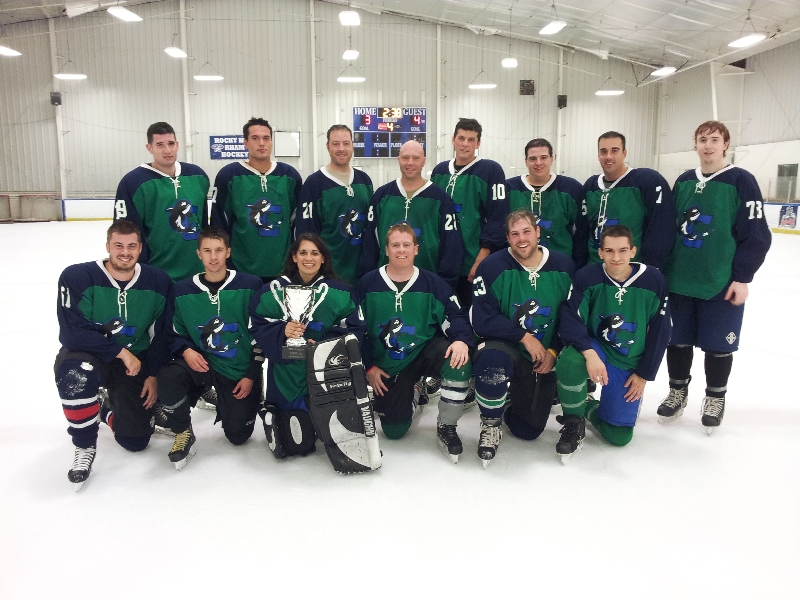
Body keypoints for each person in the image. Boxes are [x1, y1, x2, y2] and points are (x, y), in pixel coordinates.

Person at [658, 120, 771, 433]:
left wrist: (742, 277)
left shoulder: (741, 181)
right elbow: (668, 228)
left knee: (719, 345)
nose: (708, 145)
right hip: (680, 280)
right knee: (676, 340)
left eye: (715, 140)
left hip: (719, 281)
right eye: (702, 139)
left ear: (726, 144)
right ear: (695, 144)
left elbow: (756, 234)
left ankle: (715, 398)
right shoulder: (684, 181)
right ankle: (677, 392)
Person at [54, 220, 171, 490]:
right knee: (75, 375)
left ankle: (104, 409)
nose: (125, 252)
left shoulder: (158, 281)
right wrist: (119, 351)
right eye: (118, 245)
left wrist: (153, 373)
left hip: (135, 362)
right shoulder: (77, 276)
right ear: (108, 246)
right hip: (90, 356)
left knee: (135, 441)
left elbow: (162, 335)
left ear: (140, 248)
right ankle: (84, 445)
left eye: (131, 246)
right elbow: (72, 333)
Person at [357, 224, 473, 463]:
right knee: (394, 430)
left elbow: (456, 315)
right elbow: (355, 330)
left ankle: (447, 425)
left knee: (458, 359)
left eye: (406, 245)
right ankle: (415, 390)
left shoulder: (433, 284)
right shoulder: (367, 284)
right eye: (395, 245)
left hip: (423, 351)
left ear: (416, 249)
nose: (401, 250)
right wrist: (368, 366)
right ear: (386, 250)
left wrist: (461, 339)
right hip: (389, 364)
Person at [554, 225, 671, 462]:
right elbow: (571, 318)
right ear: (600, 252)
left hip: (628, 358)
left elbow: (661, 330)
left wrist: (644, 374)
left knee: (619, 436)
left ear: (633, 251)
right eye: (609, 251)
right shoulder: (587, 276)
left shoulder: (654, 280)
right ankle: (573, 422)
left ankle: (589, 407)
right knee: (571, 359)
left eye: (622, 250)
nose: (616, 257)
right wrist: (589, 353)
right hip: (596, 347)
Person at [471, 210, 574, 466]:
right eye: (514, 234)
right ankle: (490, 422)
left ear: (537, 232)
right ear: (507, 238)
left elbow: (571, 318)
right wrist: (523, 336)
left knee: (527, 430)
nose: (522, 239)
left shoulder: (563, 266)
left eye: (527, 231)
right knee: (492, 361)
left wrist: (554, 351)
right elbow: (482, 318)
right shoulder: (492, 266)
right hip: (505, 346)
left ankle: (509, 399)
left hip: (542, 355)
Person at [156, 228, 264, 469]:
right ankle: (183, 430)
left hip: (236, 369)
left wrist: (251, 375)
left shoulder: (250, 285)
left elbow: (261, 334)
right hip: (201, 363)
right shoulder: (182, 290)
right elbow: (172, 333)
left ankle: (240, 397)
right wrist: (185, 350)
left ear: (228, 252)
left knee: (238, 436)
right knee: (169, 377)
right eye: (207, 251)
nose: (213, 257)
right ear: (199, 254)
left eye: (218, 250)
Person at [249, 234, 364, 459]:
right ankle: (274, 412)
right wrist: (282, 330)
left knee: (330, 433)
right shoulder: (272, 290)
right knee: (299, 446)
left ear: (323, 258)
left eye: (314, 253)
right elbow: (257, 323)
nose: (308, 258)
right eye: (303, 253)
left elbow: (354, 329)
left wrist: (324, 344)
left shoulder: (341, 291)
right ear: (294, 257)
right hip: (288, 371)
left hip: (326, 371)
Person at [114, 122, 210, 282]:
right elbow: (125, 233)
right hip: (156, 274)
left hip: (198, 272)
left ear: (177, 145)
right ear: (149, 148)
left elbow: (205, 225)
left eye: (171, 143)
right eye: (160, 145)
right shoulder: (133, 182)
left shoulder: (198, 176)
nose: (167, 150)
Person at [359, 140, 463, 289]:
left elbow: (451, 244)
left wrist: (445, 284)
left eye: (416, 158)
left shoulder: (440, 198)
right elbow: (370, 241)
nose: (410, 163)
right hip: (385, 283)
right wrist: (369, 278)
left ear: (424, 161)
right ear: (398, 159)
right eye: (405, 158)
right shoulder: (382, 195)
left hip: (428, 284)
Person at [211, 117, 302, 282]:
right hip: (241, 268)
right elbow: (219, 223)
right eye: (255, 138)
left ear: (271, 142)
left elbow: (296, 223)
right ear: (245, 143)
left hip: (282, 268)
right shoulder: (229, 176)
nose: (261, 143)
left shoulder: (289, 176)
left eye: (266, 138)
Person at [430, 118, 506, 307]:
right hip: (441, 260)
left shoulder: (490, 170)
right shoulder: (439, 171)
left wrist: (482, 258)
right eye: (461, 138)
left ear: (478, 143)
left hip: (471, 260)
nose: (465, 144)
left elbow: (498, 216)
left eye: (471, 140)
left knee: (471, 312)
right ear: (453, 140)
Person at [582, 131, 675, 269]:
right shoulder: (590, 186)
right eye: (603, 151)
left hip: (631, 270)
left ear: (624, 153)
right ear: (598, 155)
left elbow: (661, 226)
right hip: (595, 268)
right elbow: (583, 230)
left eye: (615, 150)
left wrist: (652, 266)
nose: (608, 156)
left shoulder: (646, 181)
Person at [295, 124, 374, 286]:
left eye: (346, 143)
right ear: (327, 146)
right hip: (328, 273)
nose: (341, 149)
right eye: (336, 144)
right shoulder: (314, 183)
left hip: (361, 271)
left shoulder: (364, 180)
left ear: (352, 145)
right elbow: (307, 232)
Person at [505, 138, 587, 266]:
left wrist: (577, 264)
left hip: (560, 266)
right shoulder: (509, 189)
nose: (538, 163)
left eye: (543, 158)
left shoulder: (571, 188)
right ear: (526, 161)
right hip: (518, 266)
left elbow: (583, 231)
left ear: (552, 159)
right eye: (533, 158)